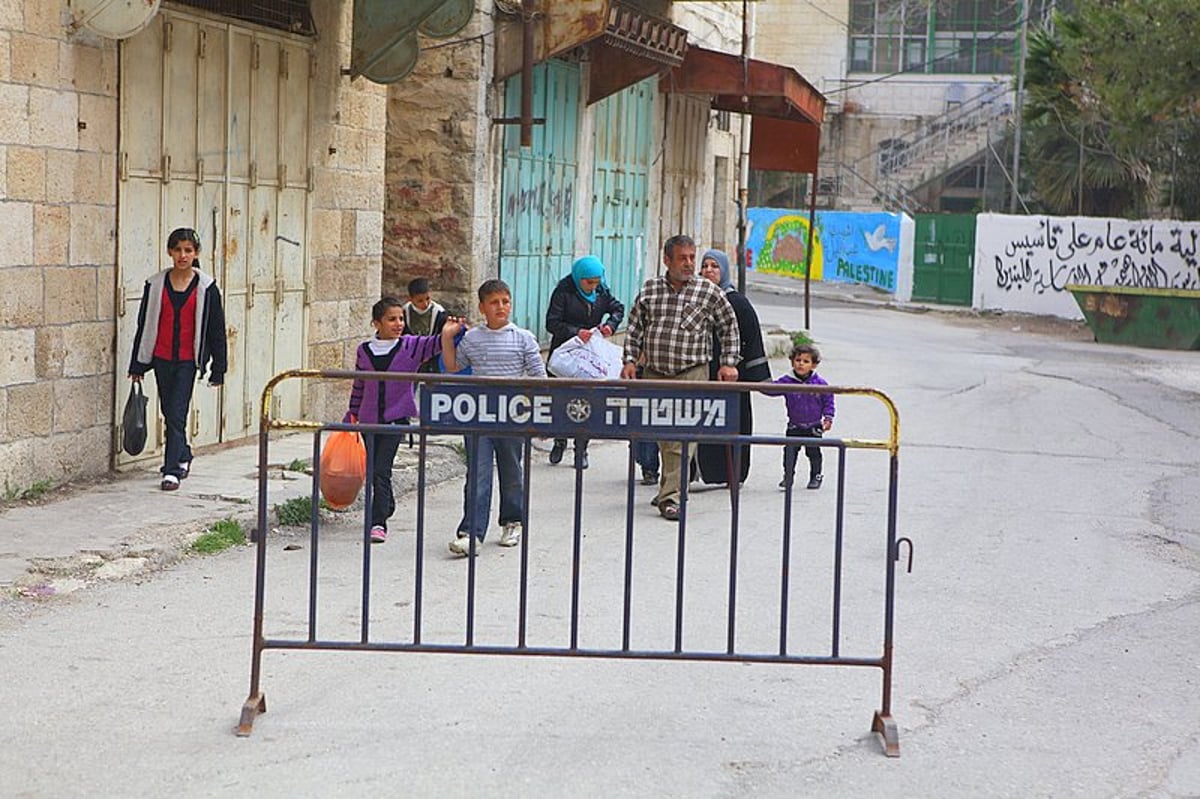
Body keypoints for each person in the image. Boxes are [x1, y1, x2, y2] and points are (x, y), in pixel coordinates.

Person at [620, 235, 741, 521]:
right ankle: (670, 486)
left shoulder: (708, 292)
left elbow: (729, 327)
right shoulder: (650, 290)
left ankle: (671, 497)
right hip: (656, 373)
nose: (689, 264)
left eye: (691, 258)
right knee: (661, 436)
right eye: (682, 258)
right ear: (667, 260)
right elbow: (635, 327)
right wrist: (629, 360)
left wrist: (728, 363)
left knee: (682, 437)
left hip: (692, 372)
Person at [441, 279, 547, 556]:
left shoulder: (523, 338)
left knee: (512, 471)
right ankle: (471, 532)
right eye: (494, 302)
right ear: (482, 307)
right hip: (478, 416)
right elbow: (453, 367)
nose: (501, 307)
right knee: (478, 472)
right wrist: (446, 338)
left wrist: (542, 414)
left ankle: (512, 521)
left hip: (513, 415)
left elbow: (539, 376)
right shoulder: (473, 339)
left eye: (505, 301)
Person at [345, 297, 463, 544]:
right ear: (376, 323)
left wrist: (450, 331)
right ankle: (385, 505)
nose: (398, 324)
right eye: (391, 319)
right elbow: (359, 384)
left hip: (396, 420)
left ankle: (377, 523)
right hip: (368, 421)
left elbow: (435, 344)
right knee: (373, 470)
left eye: (401, 319)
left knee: (381, 470)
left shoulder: (410, 346)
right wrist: (351, 413)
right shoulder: (364, 350)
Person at [128, 227, 227, 491]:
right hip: (161, 357)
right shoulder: (155, 284)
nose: (183, 255)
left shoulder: (207, 288)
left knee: (177, 413)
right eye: (178, 250)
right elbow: (144, 324)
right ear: (170, 251)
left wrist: (219, 369)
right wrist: (137, 365)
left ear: (196, 254)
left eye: (188, 250)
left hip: (187, 360)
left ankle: (171, 471)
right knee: (167, 410)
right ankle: (183, 454)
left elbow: (217, 331)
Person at [695, 248, 771, 485]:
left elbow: (753, 340)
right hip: (700, 374)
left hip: (731, 378)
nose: (709, 270)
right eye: (705, 266)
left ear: (724, 270)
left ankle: (732, 473)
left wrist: (757, 376)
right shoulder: (695, 299)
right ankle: (699, 472)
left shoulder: (737, 303)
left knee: (732, 424)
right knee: (699, 424)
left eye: (714, 266)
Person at [544, 254, 625, 470]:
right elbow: (552, 323)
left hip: (590, 354)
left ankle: (581, 448)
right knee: (560, 399)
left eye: (596, 282)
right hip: (566, 352)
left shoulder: (601, 291)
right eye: (588, 282)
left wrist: (610, 325)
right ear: (579, 278)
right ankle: (559, 440)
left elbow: (618, 308)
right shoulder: (564, 291)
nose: (592, 286)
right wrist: (575, 332)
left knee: (587, 401)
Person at [773, 343, 835, 490]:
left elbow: (828, 401)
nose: (801, 364)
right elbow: (772, 389)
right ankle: (788, 477)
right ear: (792, 361)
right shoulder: (786, 381)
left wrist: (828, 418)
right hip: (794, 425)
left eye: (806, 361)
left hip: (814, 425)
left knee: (813, 453)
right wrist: (760, 383)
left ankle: (816, 476)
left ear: (813, 365)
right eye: (798, 360)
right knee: (789, 453)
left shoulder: (820, 383)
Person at [402, 277, 449, 373]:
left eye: (428, 299)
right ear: (410, 299)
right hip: (410, 356)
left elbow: (442, 336)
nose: (425, 303)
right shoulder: (404, 312)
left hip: (432, 358)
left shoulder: (439, 313)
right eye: (420, 301)